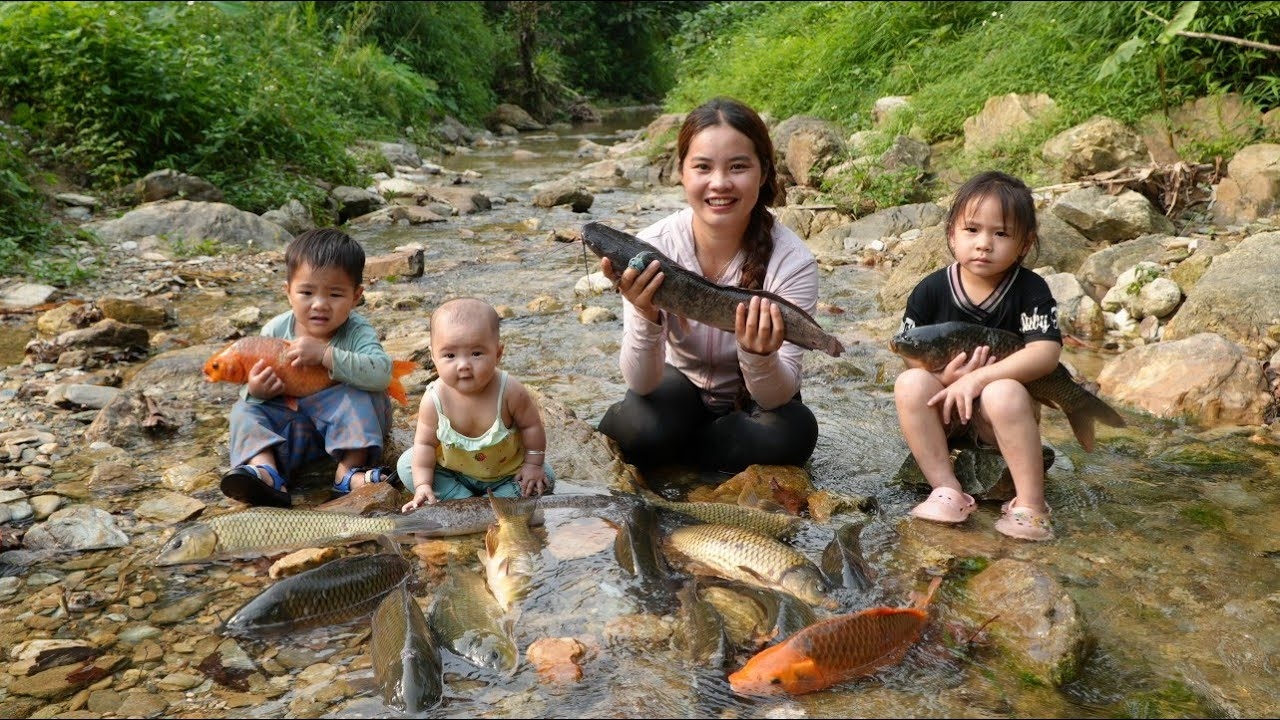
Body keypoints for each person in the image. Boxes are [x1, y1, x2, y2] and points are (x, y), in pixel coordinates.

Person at [596, 96, 820, 478]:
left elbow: (776, 396)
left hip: (757, 401)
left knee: (791, 435)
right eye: (702, 167)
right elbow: (641, 382)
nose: (719, 183)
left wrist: (758, 355)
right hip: (678, 389)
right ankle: (703, 457)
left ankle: (687, 458)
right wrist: (645, 314)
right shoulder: (653, 247)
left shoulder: (792, 261)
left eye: (738, 167)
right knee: (635, 428)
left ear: (764, 172)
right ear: (681, 172)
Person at [893, 170, 1060, 541]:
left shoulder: (1030, 289)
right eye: (972, 230)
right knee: (909, 384)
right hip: (946, 412)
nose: (984, 244)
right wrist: (949, 379)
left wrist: (979, 379)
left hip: (997, 416)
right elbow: (909, 351)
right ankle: (947, 489)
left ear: (1024, 243)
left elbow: (1046, 353)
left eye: (1000, 233)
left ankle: (1031, 505)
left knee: (1003, 391)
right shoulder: (931, 290)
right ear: (952, 233)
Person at [220, 228, 396, 508]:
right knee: (245, 409)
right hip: (297, 431)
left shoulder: (356, 331)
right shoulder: (275, 329)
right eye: (306, 292)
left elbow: (382, 374)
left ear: (356, 296)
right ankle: (265, 472)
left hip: (346, 427)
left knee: (362, 394)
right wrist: (256, 389)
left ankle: (348, 471)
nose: (320, 305)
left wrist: (327, 355)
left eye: (335, 294)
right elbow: (254, 385)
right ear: (288, 292)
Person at [398, 297, 553, 510]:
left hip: (506, 476)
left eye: (476, 354)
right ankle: (469, 501)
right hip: (456, 475)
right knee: (407, 464)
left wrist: (533, 465)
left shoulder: (509, 391)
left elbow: (531, 427)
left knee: (546, 476)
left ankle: (483, 504)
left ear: (498, 353)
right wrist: (423, 484)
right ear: (433, 356)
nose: (463, 365)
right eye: (450, 355)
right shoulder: (434, 399)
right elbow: (424, 444)